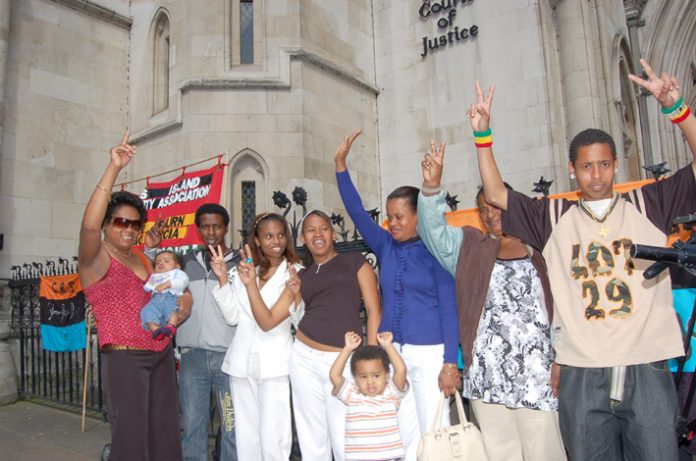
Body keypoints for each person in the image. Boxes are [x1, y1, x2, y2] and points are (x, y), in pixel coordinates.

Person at [474, 59, 696, 460]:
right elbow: (496, 194)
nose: (597, 175)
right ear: (572, 170)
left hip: (646, 362)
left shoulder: (649, 203)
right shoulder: (552, 216)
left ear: (615, 165)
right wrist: (483, 136)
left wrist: (678, 110)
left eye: (605, 164)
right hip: (580, 368)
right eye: (587, 166)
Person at [419, 144, 566, 459]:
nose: (489, 214)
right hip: (488, 375)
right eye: (482, 209)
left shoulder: (541, 246)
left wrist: (562, 356)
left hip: (538, 375)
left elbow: (565, 303)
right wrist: (431, 189)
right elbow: (433, 234)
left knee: (544, 450)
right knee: (499, 453)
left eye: (495, 205)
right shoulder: (473, 247)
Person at [335, 132, 459, 459]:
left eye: (400, 217)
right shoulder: (386, 245)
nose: (392, 223)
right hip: (394, 353)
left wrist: (450, 362)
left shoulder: (437, 251)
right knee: (404, 432)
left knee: (436, 429)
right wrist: (340, 167)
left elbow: (449, 309)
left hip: (430, 352)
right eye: (390, 217)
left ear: (420, 216)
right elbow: (358, 214)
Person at [79, 132, 187, 461]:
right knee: (130, 441)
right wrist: (113, 168)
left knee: (166, 436)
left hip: (161, 354)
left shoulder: (142, 257)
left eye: (134, 223)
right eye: (120, 222)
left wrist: (179, 308)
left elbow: (163, 293)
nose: (128, 228)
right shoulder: (95, 258)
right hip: (125, 359)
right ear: (107, 224)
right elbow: (87, 226)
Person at [241, 209, 382, 460]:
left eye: (323, 228)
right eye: (310, 230)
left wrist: (371, 356)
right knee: (311, 437)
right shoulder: (300, 275)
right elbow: (269, 320)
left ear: (333, 233)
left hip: (342, 359)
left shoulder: (355, 262)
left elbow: (374, 309)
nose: (318, 234)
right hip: (303, 357)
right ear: (303, 239)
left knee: (346, 434)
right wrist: (261, 286)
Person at [147, 202, 239, 461]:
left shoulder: (240, 262)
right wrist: (152, 249)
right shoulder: (185, 262)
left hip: (229, 359)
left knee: (232, 428)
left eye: (217, 226)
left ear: (226, 228)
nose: (211, 232)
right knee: (193, 427)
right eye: (206, 227)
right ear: (198, 229)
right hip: (192, 357)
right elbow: (155, 275)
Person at [208, 213, 301, 461]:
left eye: (281, 235)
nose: (276, 241)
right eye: (268, 236)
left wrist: (250, 285)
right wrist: (223, 280)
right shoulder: (248, 271)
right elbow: (233, 317)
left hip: (274, 363)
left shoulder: (294, 273)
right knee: (246, 437)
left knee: (275, 437)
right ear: (257, 240)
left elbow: (269, 322)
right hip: (241, 362)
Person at [330, 331, 408, 461]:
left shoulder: (391, 394)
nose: (370, 381)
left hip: (389, 457)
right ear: (355, 379)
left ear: (387, 375)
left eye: (376, 376)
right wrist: (347, 349)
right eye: (363, 377)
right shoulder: (351, 394)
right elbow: (334, 375)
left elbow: (401, 370)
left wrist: (388, 346)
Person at [141, 250, 189, 339]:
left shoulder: (177, 273)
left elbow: (183, 282)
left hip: (170, 296)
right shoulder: (155, 276)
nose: (161, 263)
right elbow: (147, 287)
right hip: (155, 300)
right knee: (146, 311)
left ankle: (171, 326)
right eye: (157, 263)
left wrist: (168, 284)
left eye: (166, 261)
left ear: (177, 266)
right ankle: (156, 330)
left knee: (172, 309)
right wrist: (146, 288)